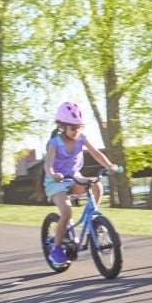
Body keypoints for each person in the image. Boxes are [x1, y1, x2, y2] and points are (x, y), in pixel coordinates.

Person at [43, 101, 119, 269]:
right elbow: (48, 163)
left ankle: (93, 219)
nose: (76, 131)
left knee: (96, 185)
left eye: (79, 127)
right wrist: (53, 174)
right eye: (72, 128)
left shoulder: (81, 138)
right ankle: (56, 248)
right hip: (56, 182)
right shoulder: (54, 142)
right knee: (67, 211)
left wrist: (108, 165)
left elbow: (96, 153)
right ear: (62, 126)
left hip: (74, 177)